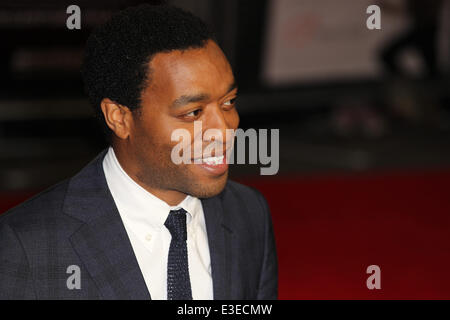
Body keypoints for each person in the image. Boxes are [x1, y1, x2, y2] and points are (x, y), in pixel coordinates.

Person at [0, 4, 278, 300]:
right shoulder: (26, 246)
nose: (224, 130)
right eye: (193, 112)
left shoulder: (247, 212)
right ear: (119, 118)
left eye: (228, 102)